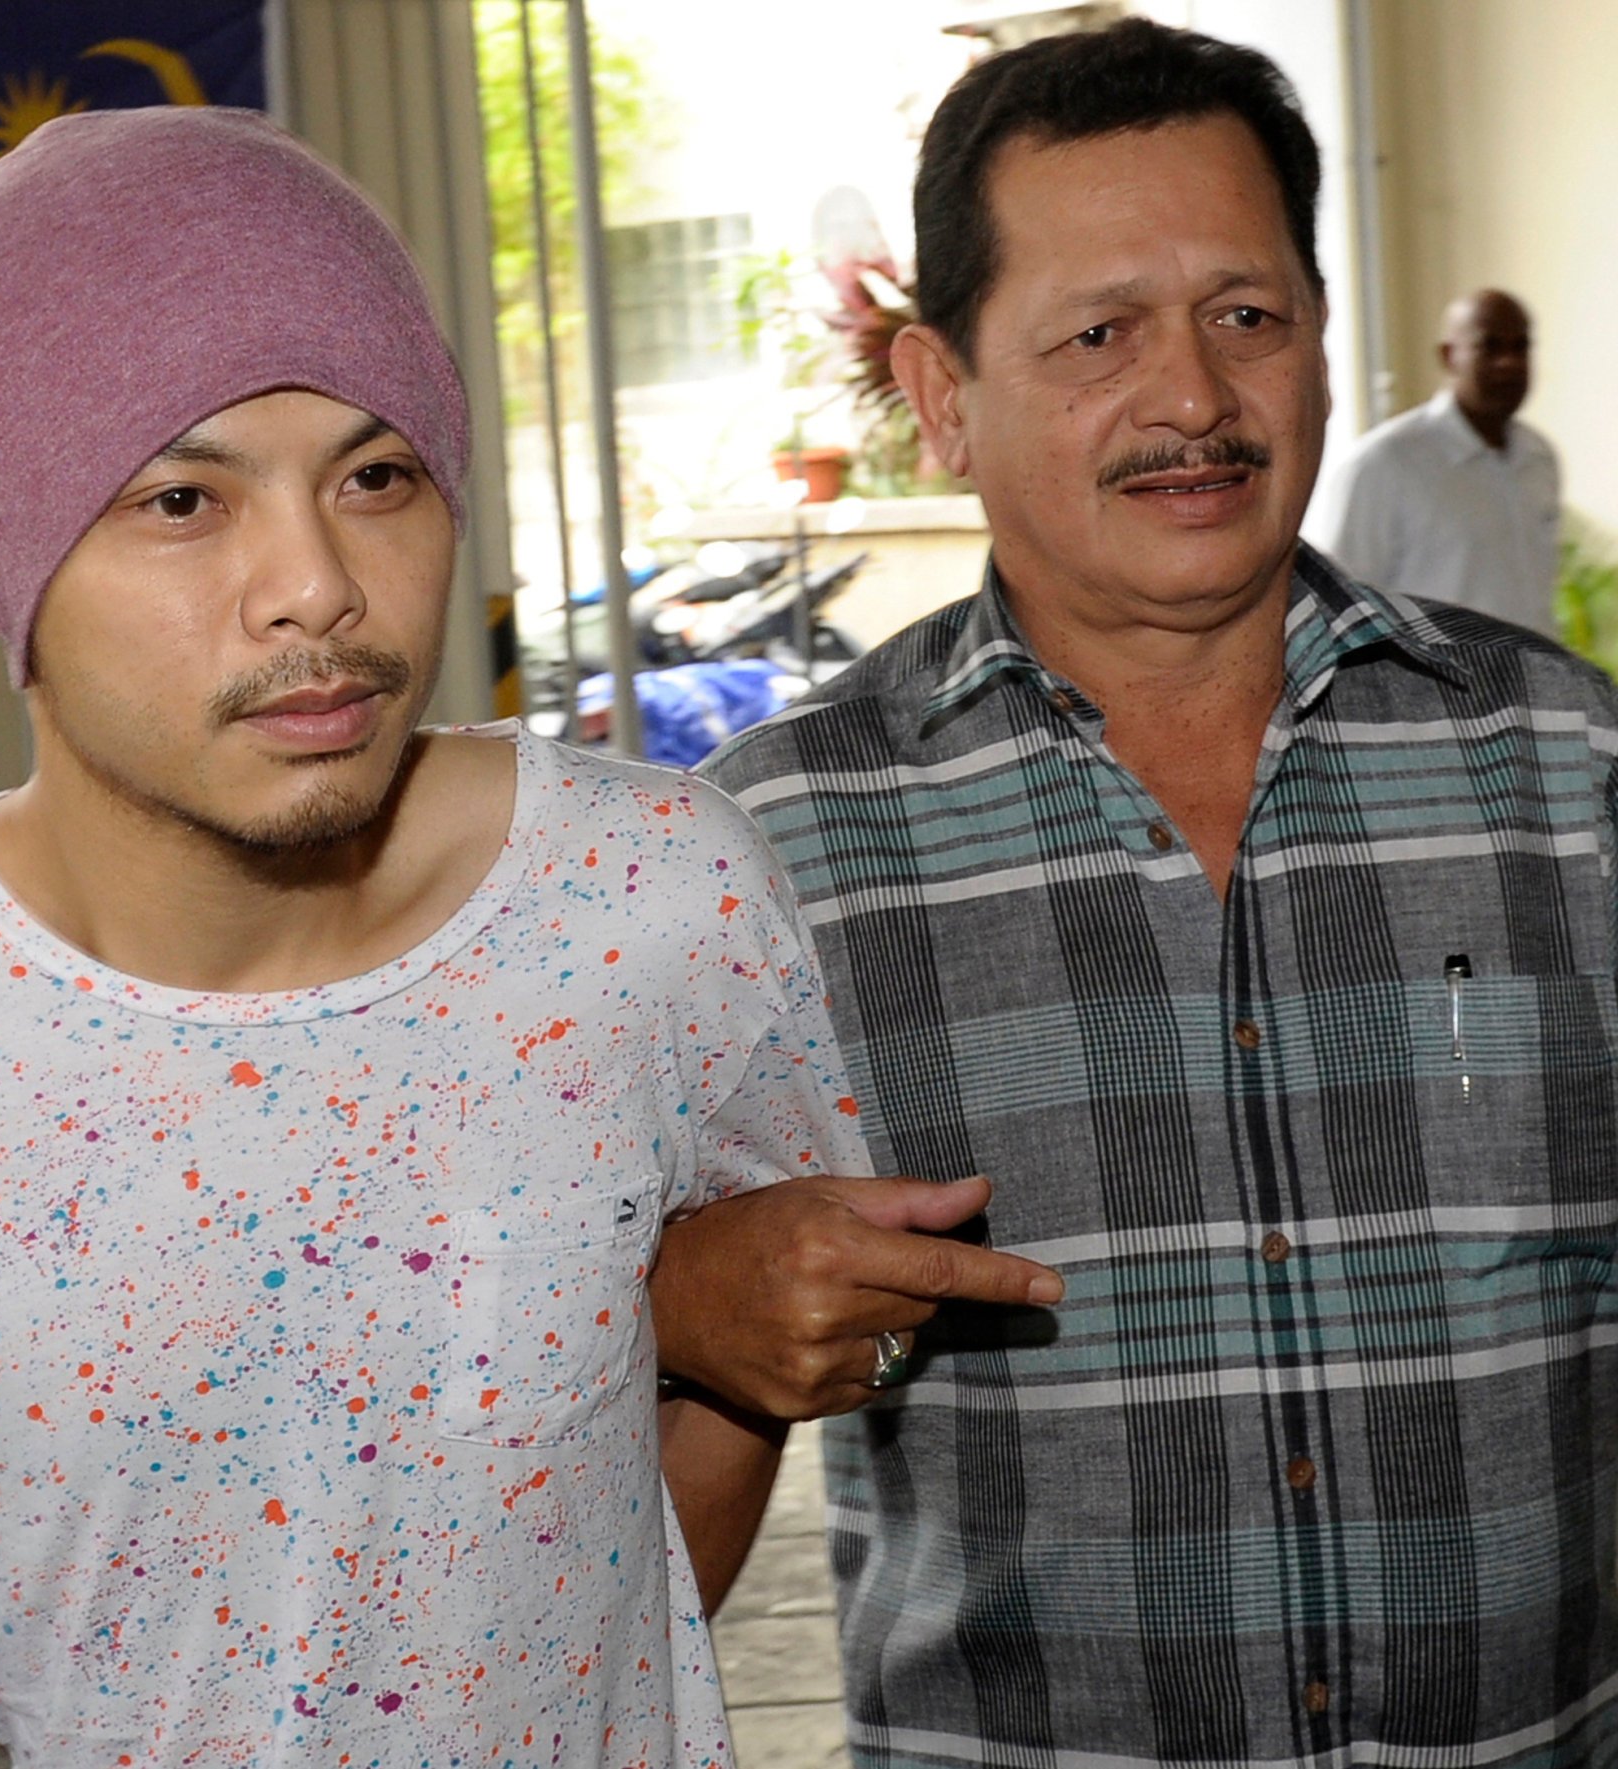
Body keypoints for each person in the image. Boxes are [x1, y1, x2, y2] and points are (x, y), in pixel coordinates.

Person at [0, 107, 1066, 1768]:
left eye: (376, 474)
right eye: (184, 497)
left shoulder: (653, 906)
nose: (316, 584)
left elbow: (752, 1365)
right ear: (2, 554)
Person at [648, 18, 1618, 1767]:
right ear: (943, 394)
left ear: (1322, 341)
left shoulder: (1568, 766)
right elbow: (642, 1547)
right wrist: (672, 1315)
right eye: (1099, 334)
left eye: (1247, 315)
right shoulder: (770, 849)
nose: (1193, 399)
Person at [1310, 288, 1562, 634]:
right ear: (1448, 356)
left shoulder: (1538, 458)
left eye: (1520, 347)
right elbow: (1341, 610)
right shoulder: (1384, 464)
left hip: (1533, 668)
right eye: (1489, 346)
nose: (1508, 363)